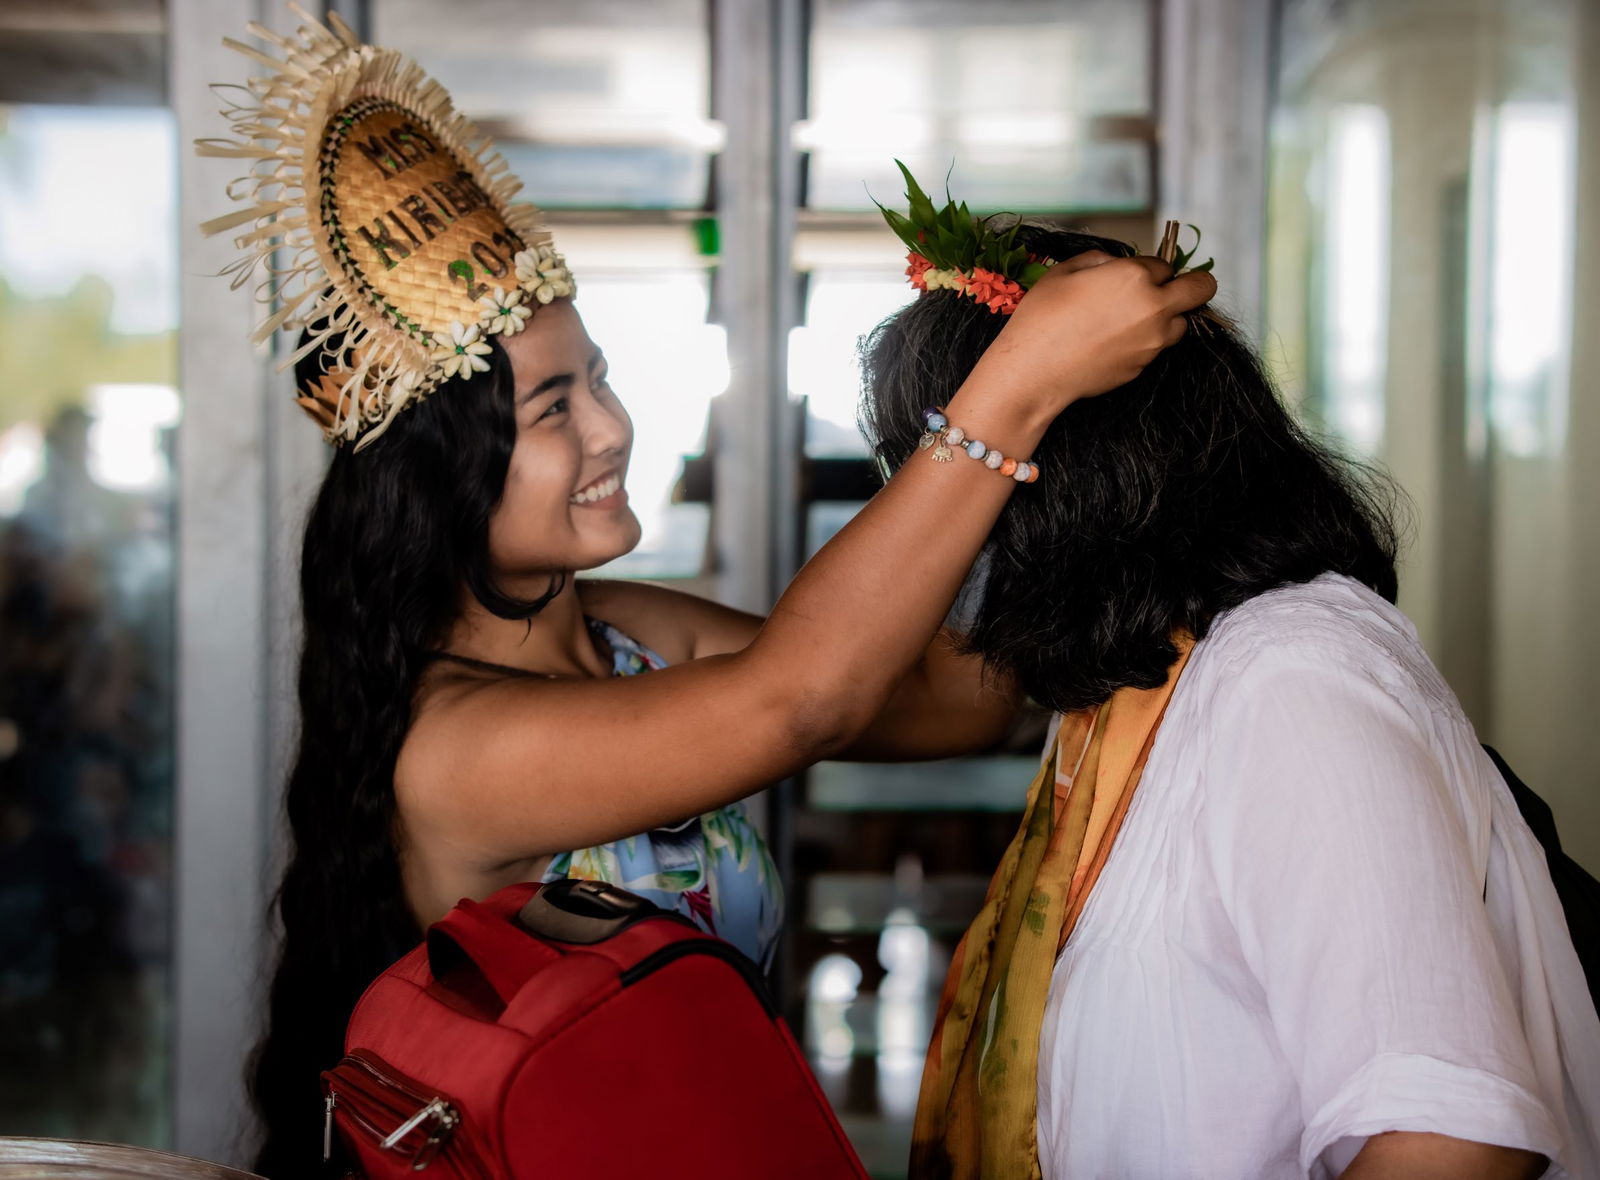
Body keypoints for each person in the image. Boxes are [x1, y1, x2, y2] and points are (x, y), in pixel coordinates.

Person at [192, 15, 1215, 1177]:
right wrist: (1009, 392)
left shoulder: (636, 630)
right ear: (438, 486)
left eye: (602, 380)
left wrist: (1054, 429)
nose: (612, 429)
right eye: (553, 409)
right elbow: (802, 700)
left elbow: (952, 698)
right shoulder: (458, 750)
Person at [858, 194, 1600, 1179]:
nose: (928, 526)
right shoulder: (1128, 689)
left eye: (955, 465)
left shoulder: (1289, 678)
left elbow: (1445, 1142)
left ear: (1063, 475)